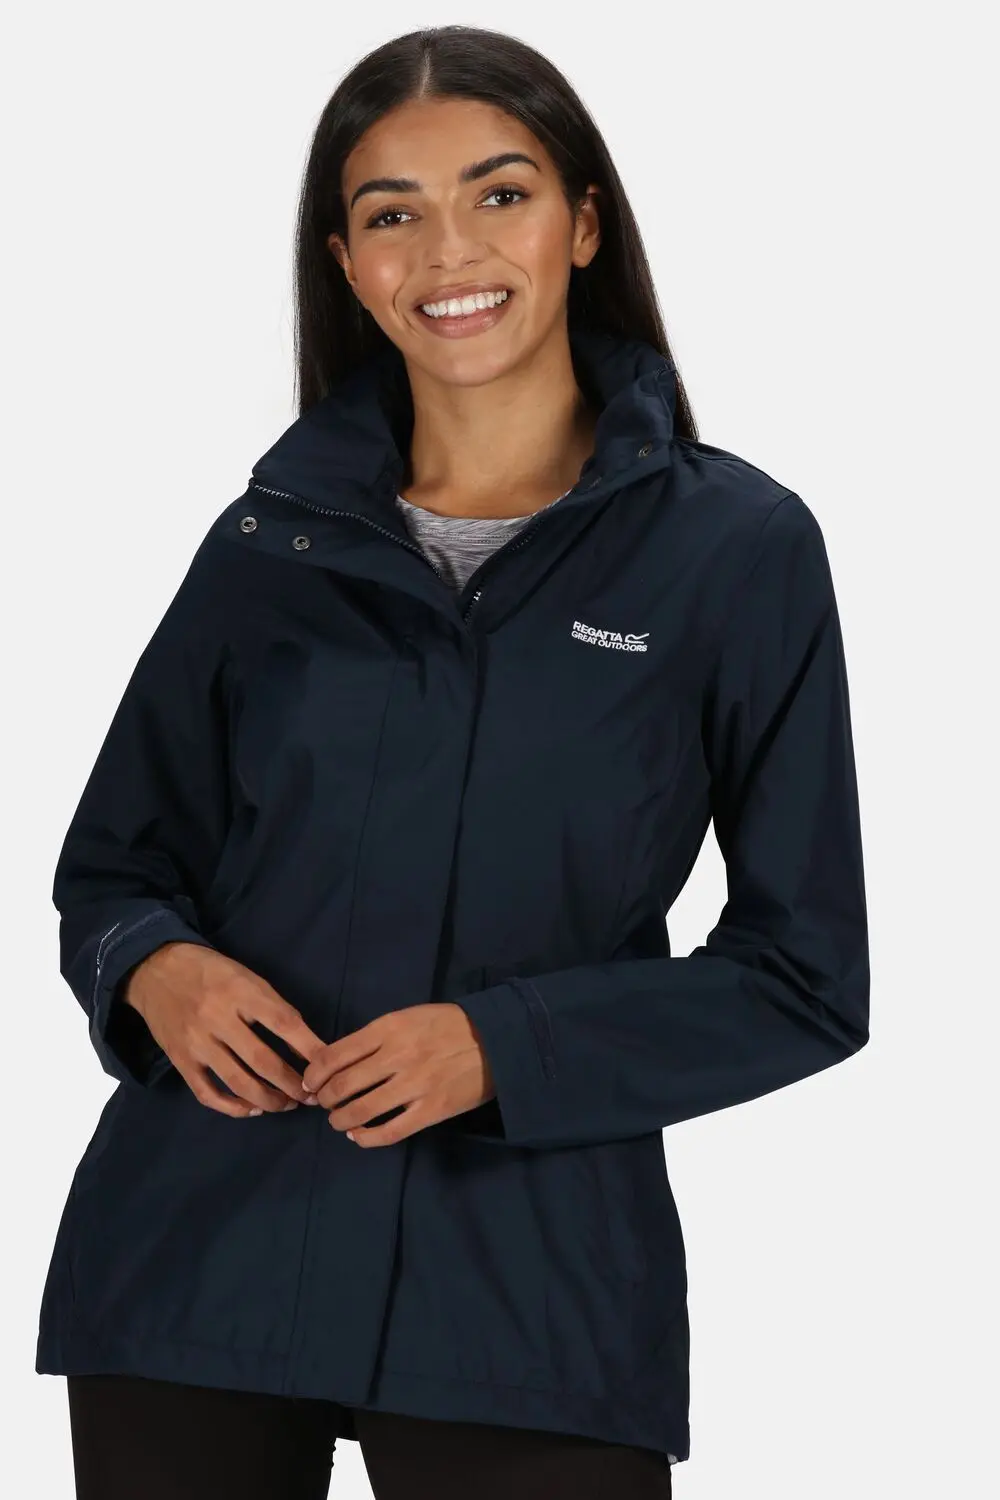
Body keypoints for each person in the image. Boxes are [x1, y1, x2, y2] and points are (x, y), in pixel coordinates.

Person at [36, 23, 870, 1500]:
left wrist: (505, 1048)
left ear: (583, 224)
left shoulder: (735, 552)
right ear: (349, 265)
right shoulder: (267, 544)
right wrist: (156, 970)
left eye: (500, 194)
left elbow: (805, 978)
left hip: (529, 1296)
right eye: (392, 214)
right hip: (194, 1259)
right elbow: (112, 870)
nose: (447, 253)